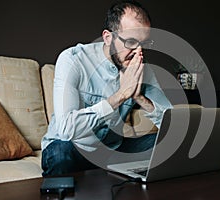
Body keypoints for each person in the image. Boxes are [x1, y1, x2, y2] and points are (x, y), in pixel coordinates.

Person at [41, 0, 172, 176]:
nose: (139, 52)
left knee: (171, 143)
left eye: (144, 44)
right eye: (131, 42)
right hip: (72, 148)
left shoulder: (141, 68)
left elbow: (172, 124)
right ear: (108, 38)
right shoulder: (73, 60)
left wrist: (138, 96)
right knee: (59, 153)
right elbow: (66, 130)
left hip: (111, 152)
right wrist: (120, 96)